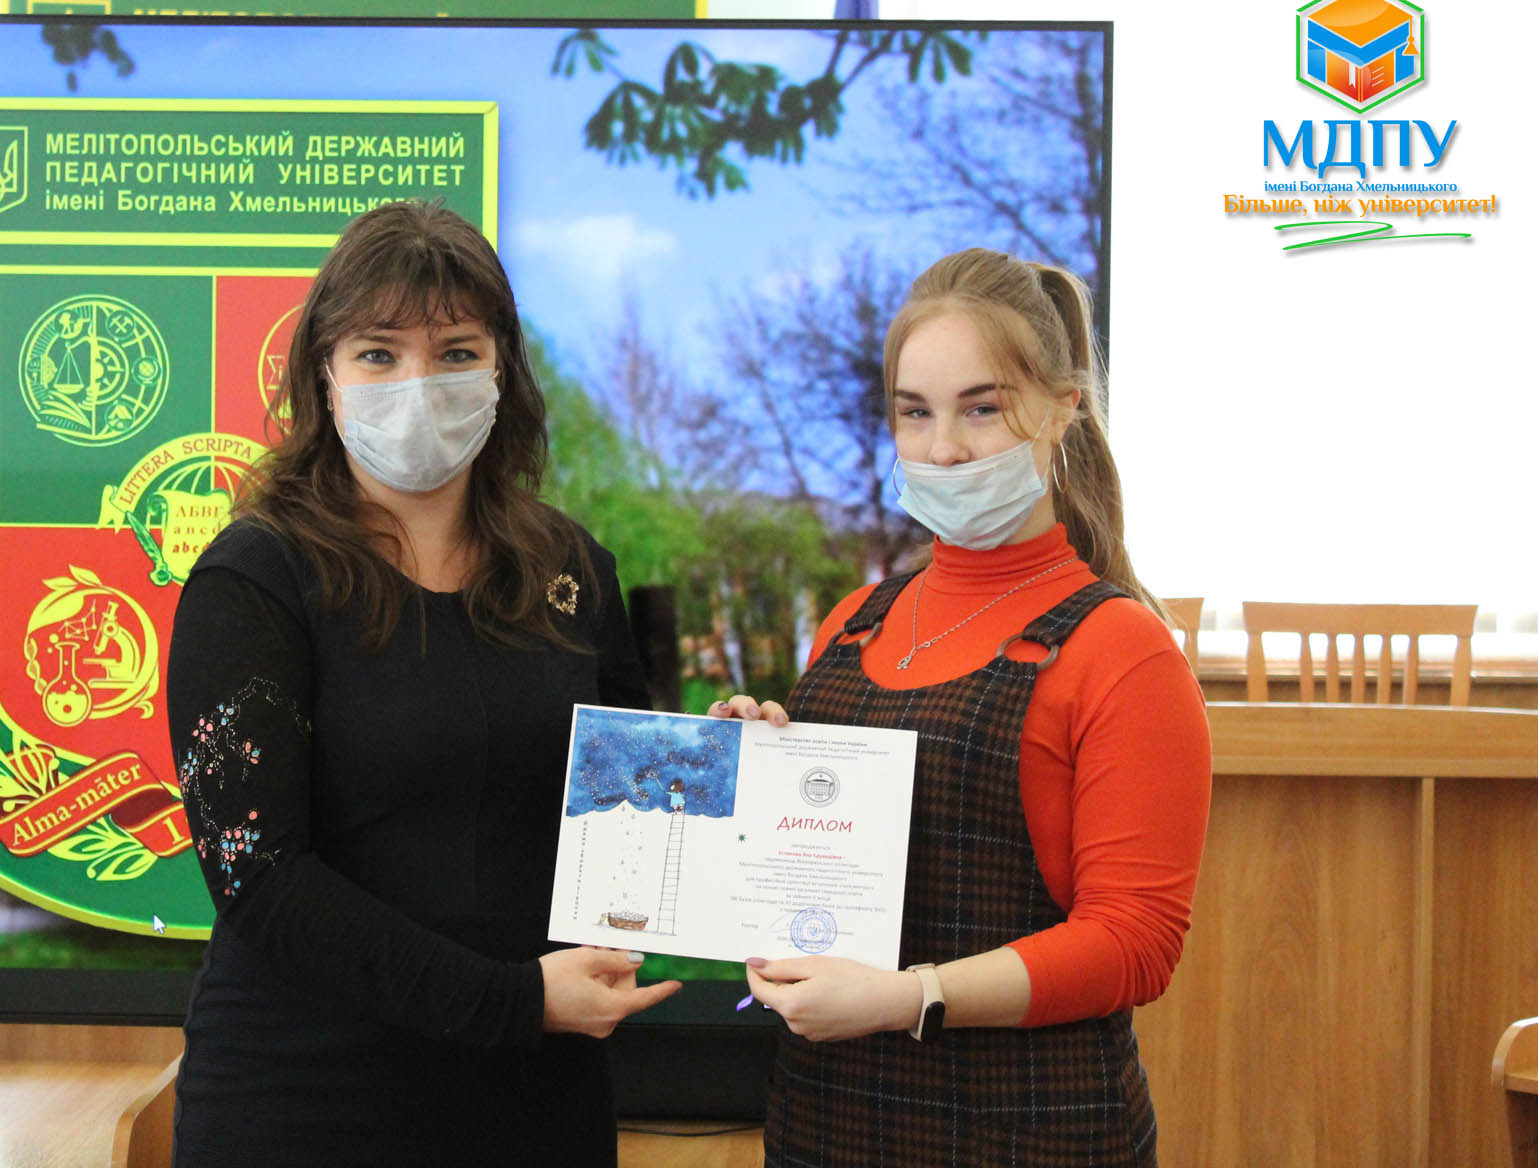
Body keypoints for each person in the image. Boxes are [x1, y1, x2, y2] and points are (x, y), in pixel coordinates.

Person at [167, 200, 678, 1166]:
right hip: (305, 1104)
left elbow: (627, 822)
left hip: (536, 1100)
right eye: (378, 353)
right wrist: (513, 1001)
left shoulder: (572, 570)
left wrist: (736, 764)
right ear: (324, 373)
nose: (418, 385)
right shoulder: (254, 579)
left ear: (502, 369)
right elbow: (258, 879)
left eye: (455, 352)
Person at [714, 249, 1211, 1166]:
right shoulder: (851, 624)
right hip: (827, 1123)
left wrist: (913, 996)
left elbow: (1133, 944)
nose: (942, 449)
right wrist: (745, 782)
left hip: (1031, 1132)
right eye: (915, 412)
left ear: (1062, 410)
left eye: (982, 408)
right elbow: (805, 887)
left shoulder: (1123, 650)